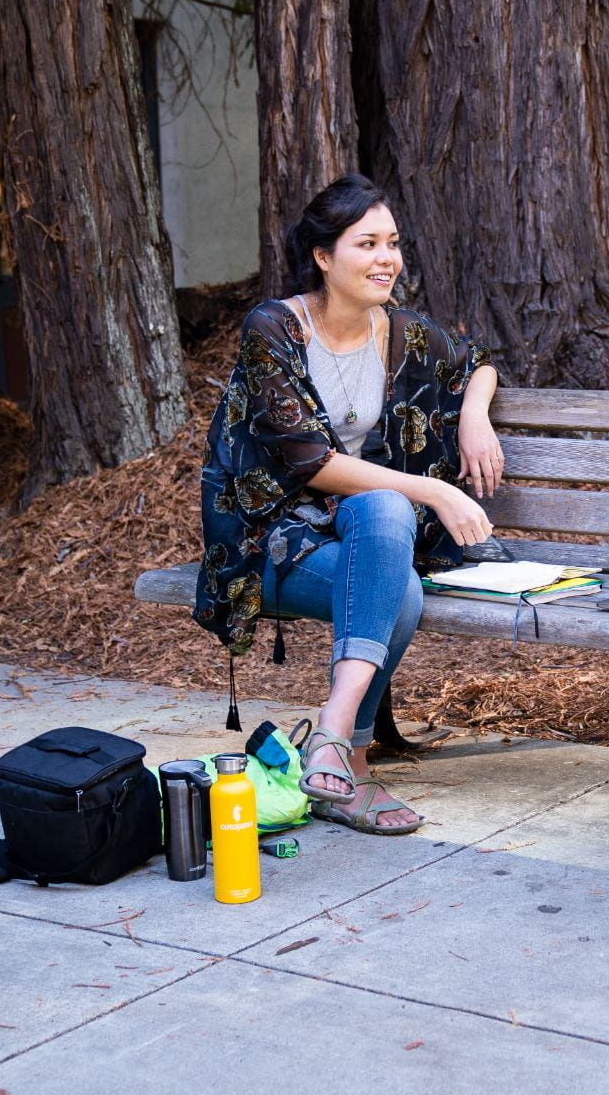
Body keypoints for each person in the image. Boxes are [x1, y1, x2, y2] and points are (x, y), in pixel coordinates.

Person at [193, 175, 503, 836]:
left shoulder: (401, 334)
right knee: (406, 590)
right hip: (268, 539)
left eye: (392, 243)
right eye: (366, 243)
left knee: (385, 510)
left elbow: (478, 362)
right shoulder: (273, 328)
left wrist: (474, 414)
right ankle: (352, 763)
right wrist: (440, 490)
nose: (386, 258)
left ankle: (333, 731)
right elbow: (311, 462)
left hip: (356, 536)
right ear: (324, 257)